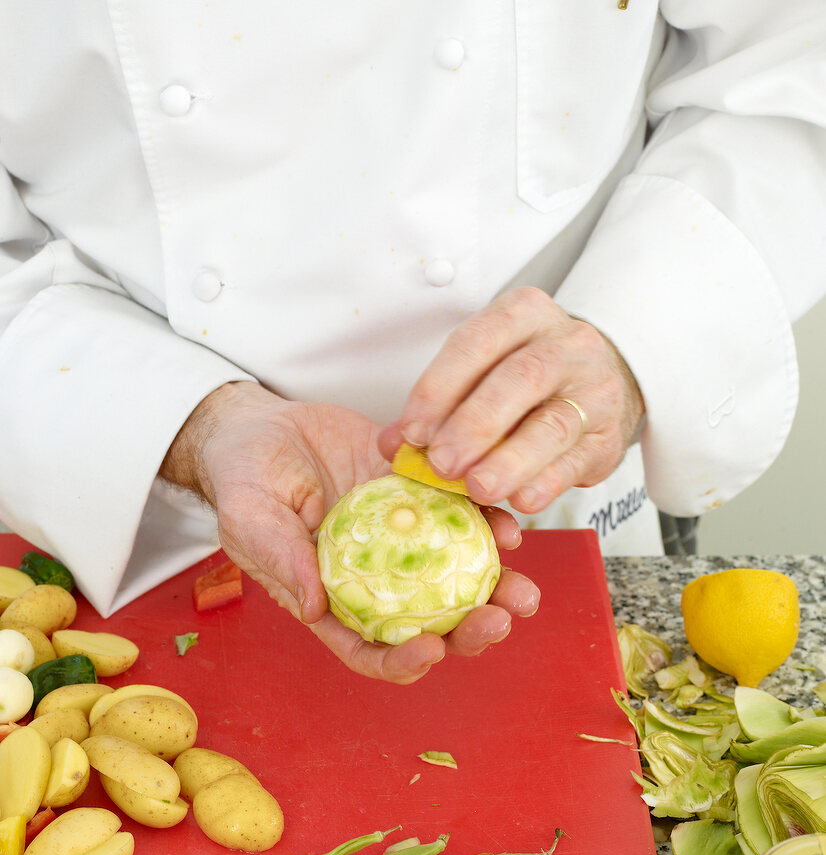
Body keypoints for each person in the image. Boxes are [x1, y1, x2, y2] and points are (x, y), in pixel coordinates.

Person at [1, 3, 824, 683]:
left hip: (563, 491)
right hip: (116, 487)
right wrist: (192, 425)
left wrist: (637, 329)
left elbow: (793, 61)